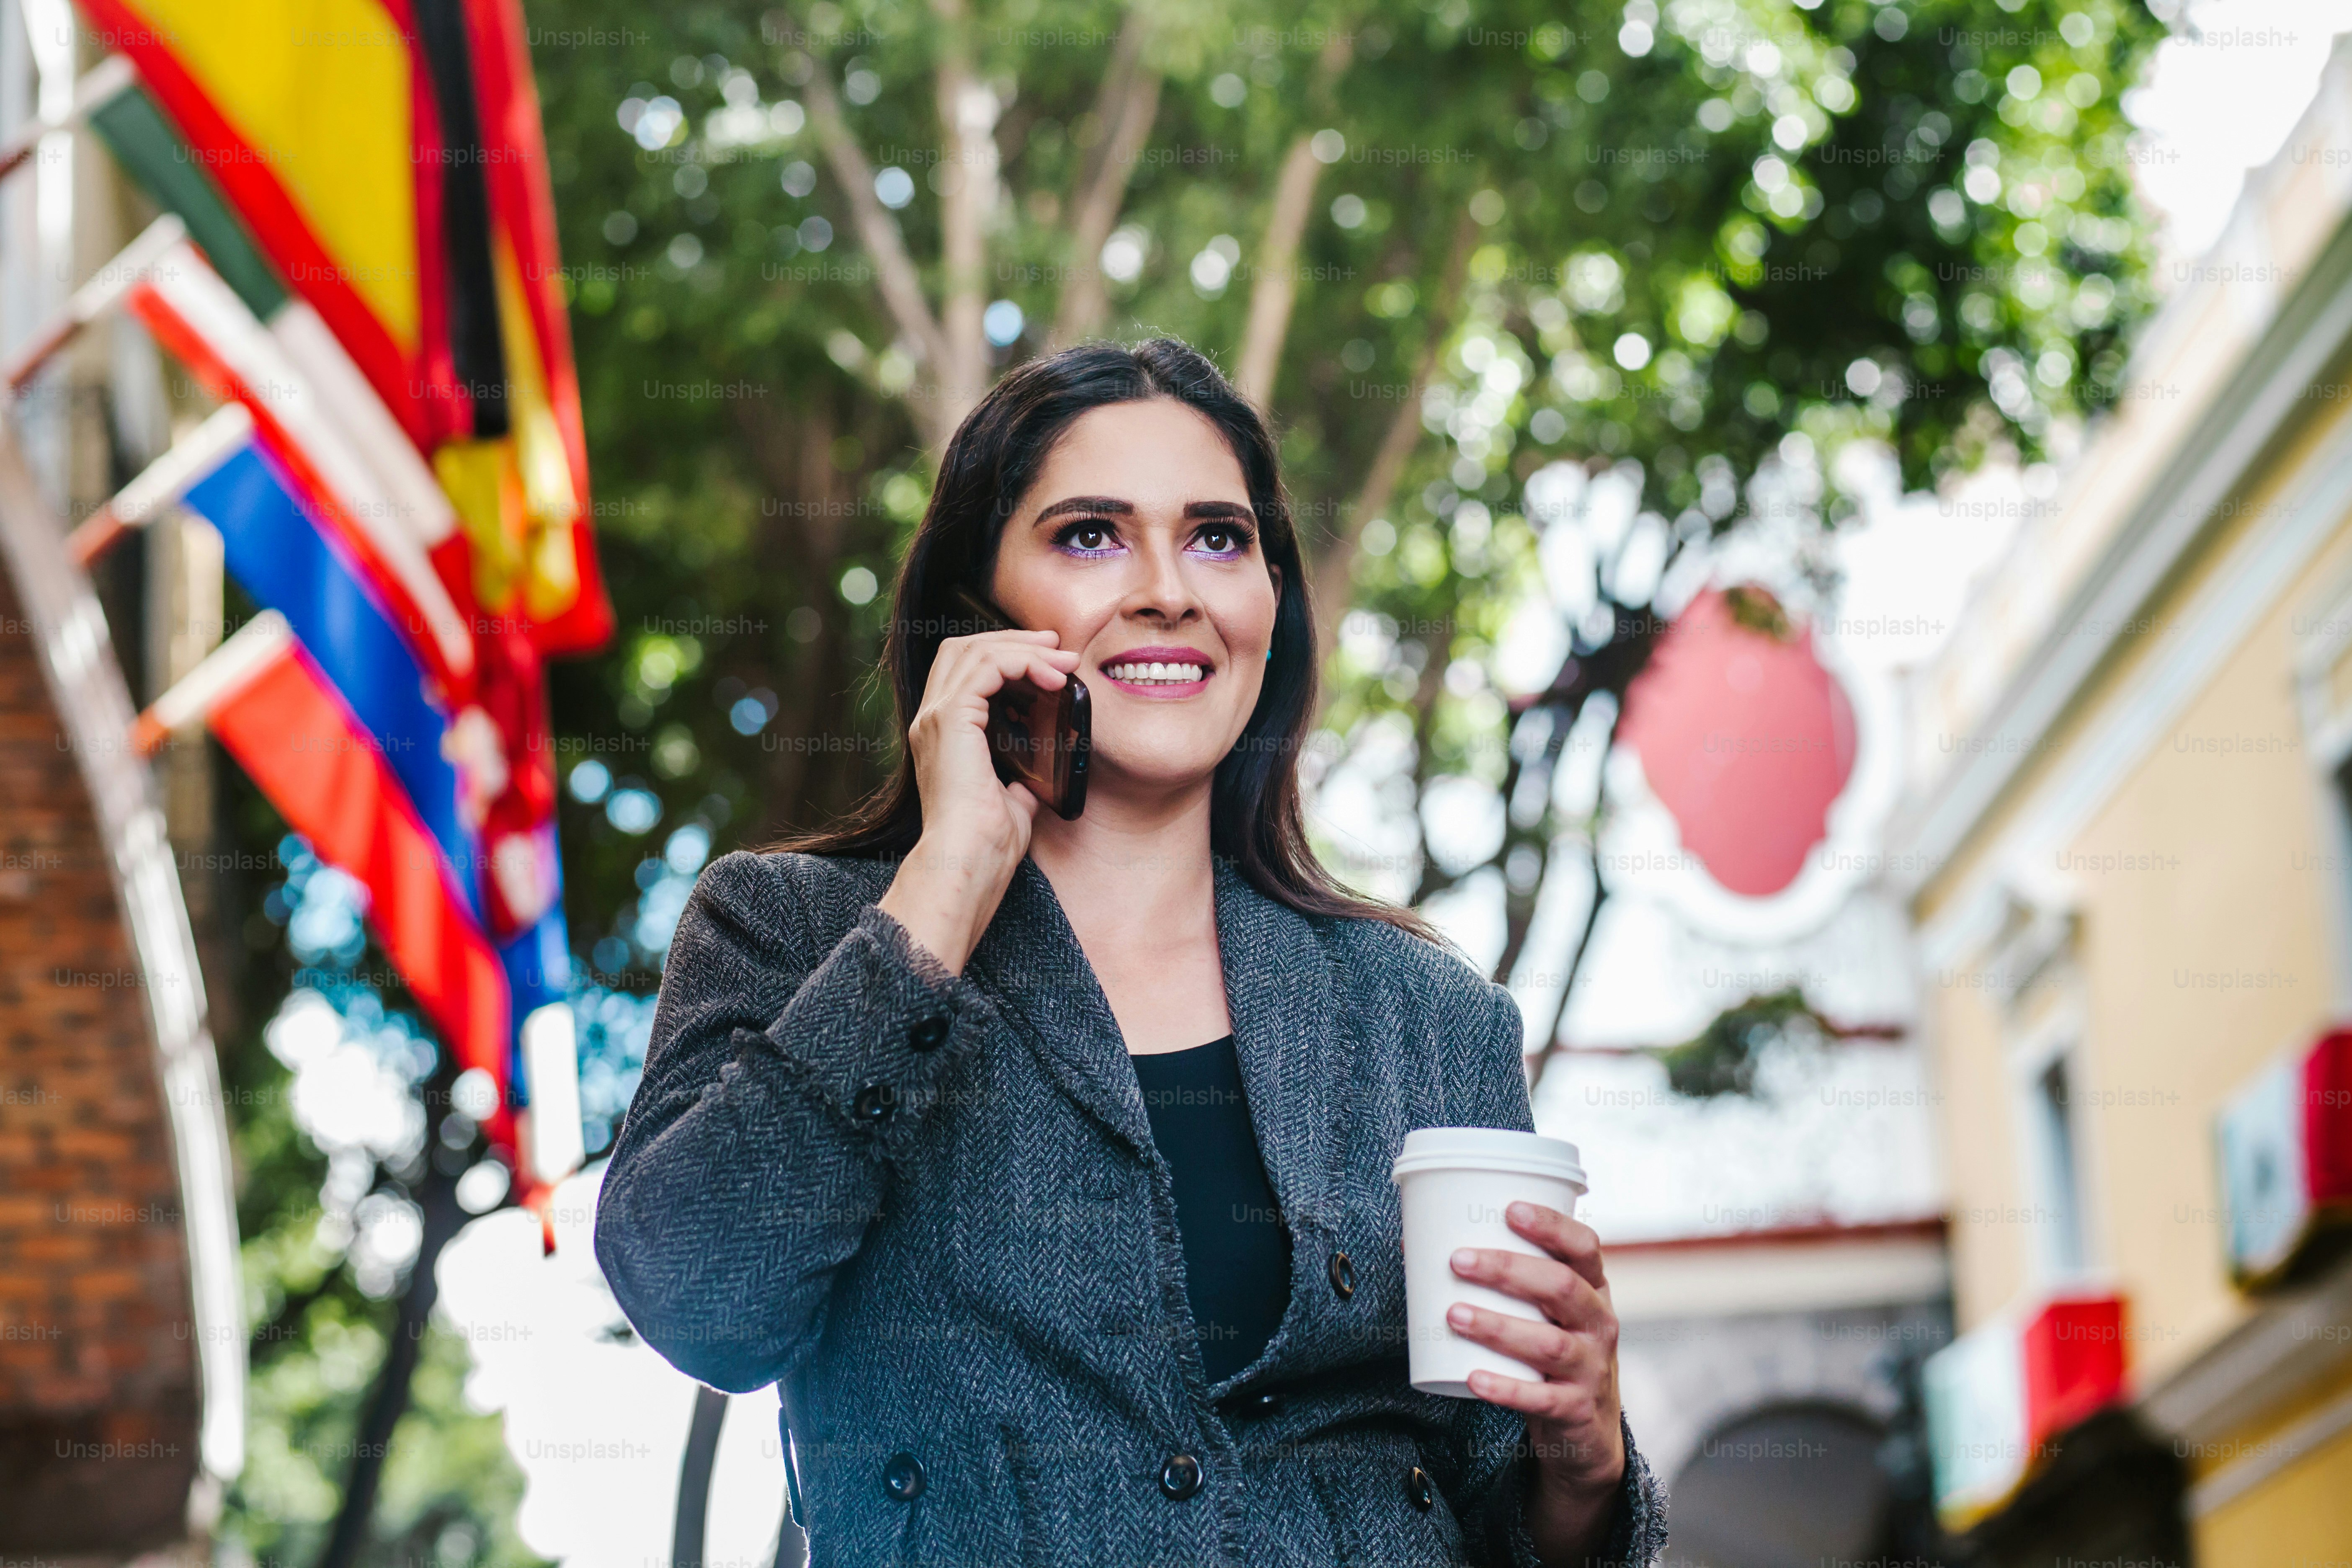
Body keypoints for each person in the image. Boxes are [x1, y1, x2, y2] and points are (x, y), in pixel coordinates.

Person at [593, 338, 1667, 1566]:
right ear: (978, 613)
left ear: (1274, 605)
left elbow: (1504, 1512)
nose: (1170, 589)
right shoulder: (790, 932)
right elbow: (699, 1300)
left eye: (1218, 537)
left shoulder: (1427, 1017)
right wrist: (942, 890)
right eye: (1090, 536)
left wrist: (1586, 1470)